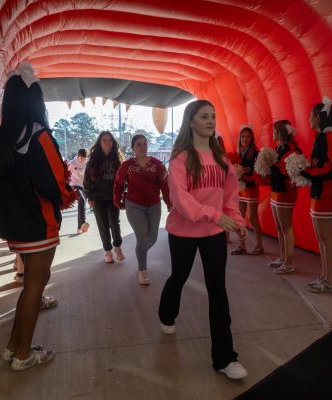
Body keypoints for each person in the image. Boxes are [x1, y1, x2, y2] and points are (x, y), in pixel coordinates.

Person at [0, 62, 73, 371]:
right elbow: (55, 183)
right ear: (36, 101)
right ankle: (23, 356)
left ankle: (13, 346)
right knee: (36, 286)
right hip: (39, 225)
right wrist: (67, 197)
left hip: (14, 226)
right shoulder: (39, 136)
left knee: (30, 286)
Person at [158, 100, 249, 380]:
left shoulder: (222, 160)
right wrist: (213, 214)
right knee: (179, 277)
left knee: (217, 290)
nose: (210, 121)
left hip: (213, 234)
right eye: (204, 116)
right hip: (183, 232)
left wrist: (236, 219)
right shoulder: (180, 159)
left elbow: (230, 194)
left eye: (213, 116)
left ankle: (224, 358)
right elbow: (180, 201)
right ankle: (166, 314)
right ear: (191, 122)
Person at [301, 97, 332, 292]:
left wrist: (306, 172)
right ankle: (324, 276)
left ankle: (330, 281)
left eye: (311, 115)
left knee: (326, 237)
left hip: (328, 193)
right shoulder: (321, 135)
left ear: (320, 117)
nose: (309, 118)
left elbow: (331, 167)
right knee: (322, 238)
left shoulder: (330, 136)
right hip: (319, 191)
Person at [113, 134, 172, 285]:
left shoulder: (158, 164)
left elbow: (165, 185)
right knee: (142, 237)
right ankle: (142, 269)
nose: (142, 146)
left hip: (154, 205)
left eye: (144, 143)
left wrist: (169, 202)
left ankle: (140, 253)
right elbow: (118, 183)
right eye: (138, 144)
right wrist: (117, 199)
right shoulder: (126, 165)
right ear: (133, 147)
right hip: (134, 205)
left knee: (152, 238)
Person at [84, 131, 125, 263]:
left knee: (114, 223)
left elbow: (124, 180)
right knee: (103, 225)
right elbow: (86, 181)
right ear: (99, 143)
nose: (108, 142)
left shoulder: (118, 161)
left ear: (113, 143)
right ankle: (107, 251)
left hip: (113, 197)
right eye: (104, 140)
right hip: (97, 198)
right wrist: (89, 197)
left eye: (110, 140)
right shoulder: (92, 161)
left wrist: (123, 195)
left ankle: (117, 247)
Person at [268, 120, 303, 274]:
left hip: (285, 192)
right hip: (276, 191)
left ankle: (288, 262)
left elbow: (288, 172)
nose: (272, 133)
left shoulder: (291, 149)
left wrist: (273, 167)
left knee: (286, 227)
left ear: (281, 132)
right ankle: (282, 258)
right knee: (279, 227)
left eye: (275, 130)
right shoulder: (279, 147)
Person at [230, 126, 264, 256]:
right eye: (243, 136)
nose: (245, 139)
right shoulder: (238, 151)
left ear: (252, 138)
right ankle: (242, 245)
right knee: (240, 217)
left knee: (253, 218)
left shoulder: (256, 152)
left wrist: (245, 172)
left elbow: (257, 172)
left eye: (248, 136)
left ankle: (259, 246)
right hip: (241, 188)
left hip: (251, 188)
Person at [67, 148, 90, 233]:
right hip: (74, 185)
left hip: (84, 186)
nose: (82, 160)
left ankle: (79, 227)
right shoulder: (72, 163)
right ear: (78, 156)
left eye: (84, 158)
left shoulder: (87, 163)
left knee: (81, 204)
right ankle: (83, 222)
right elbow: (65, 173)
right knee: (82, 200)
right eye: (80, 158)